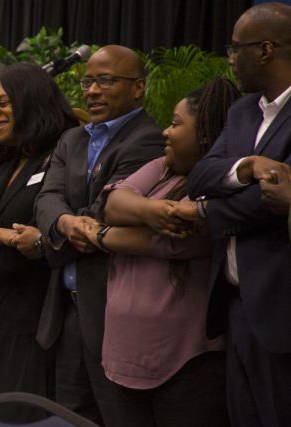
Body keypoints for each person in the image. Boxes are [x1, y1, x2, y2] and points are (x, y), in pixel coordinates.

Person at [79, 79, 240, 426]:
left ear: (205, 133)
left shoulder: (218, 185)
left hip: (185, 364)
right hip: (124, 356)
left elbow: (181, 239)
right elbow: (113, 202)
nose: (166, 131)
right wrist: (152, 214)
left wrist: (103, 238)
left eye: (176, 123)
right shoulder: (162, 166)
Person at [34, 45, 165, 425]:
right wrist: (64, 223)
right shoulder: (72, 140)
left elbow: (110, 210)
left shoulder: (148, 140)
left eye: (105, 81)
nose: (91, 91)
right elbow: (47, 198)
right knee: (68, 417)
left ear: (137, 88)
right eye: (87, 81)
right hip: (67, 309)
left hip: (113, 310)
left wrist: (74, 222)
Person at [185, 4, 291, 425]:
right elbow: (201, 174)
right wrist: (244, 167)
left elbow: (271, 202)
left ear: (265, 50)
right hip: (235, 303)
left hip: (281, 307)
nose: (229, 57)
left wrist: (208, 211)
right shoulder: (242, 111)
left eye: (235, 47)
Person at [0, 63, 80, 423]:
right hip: (1, 313)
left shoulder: (62, 152)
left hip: (41, 314)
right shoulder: (2, 158)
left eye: (3, 103)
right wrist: (2, 236)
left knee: (32, 416)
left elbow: (41, 238)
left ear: (31, 100)